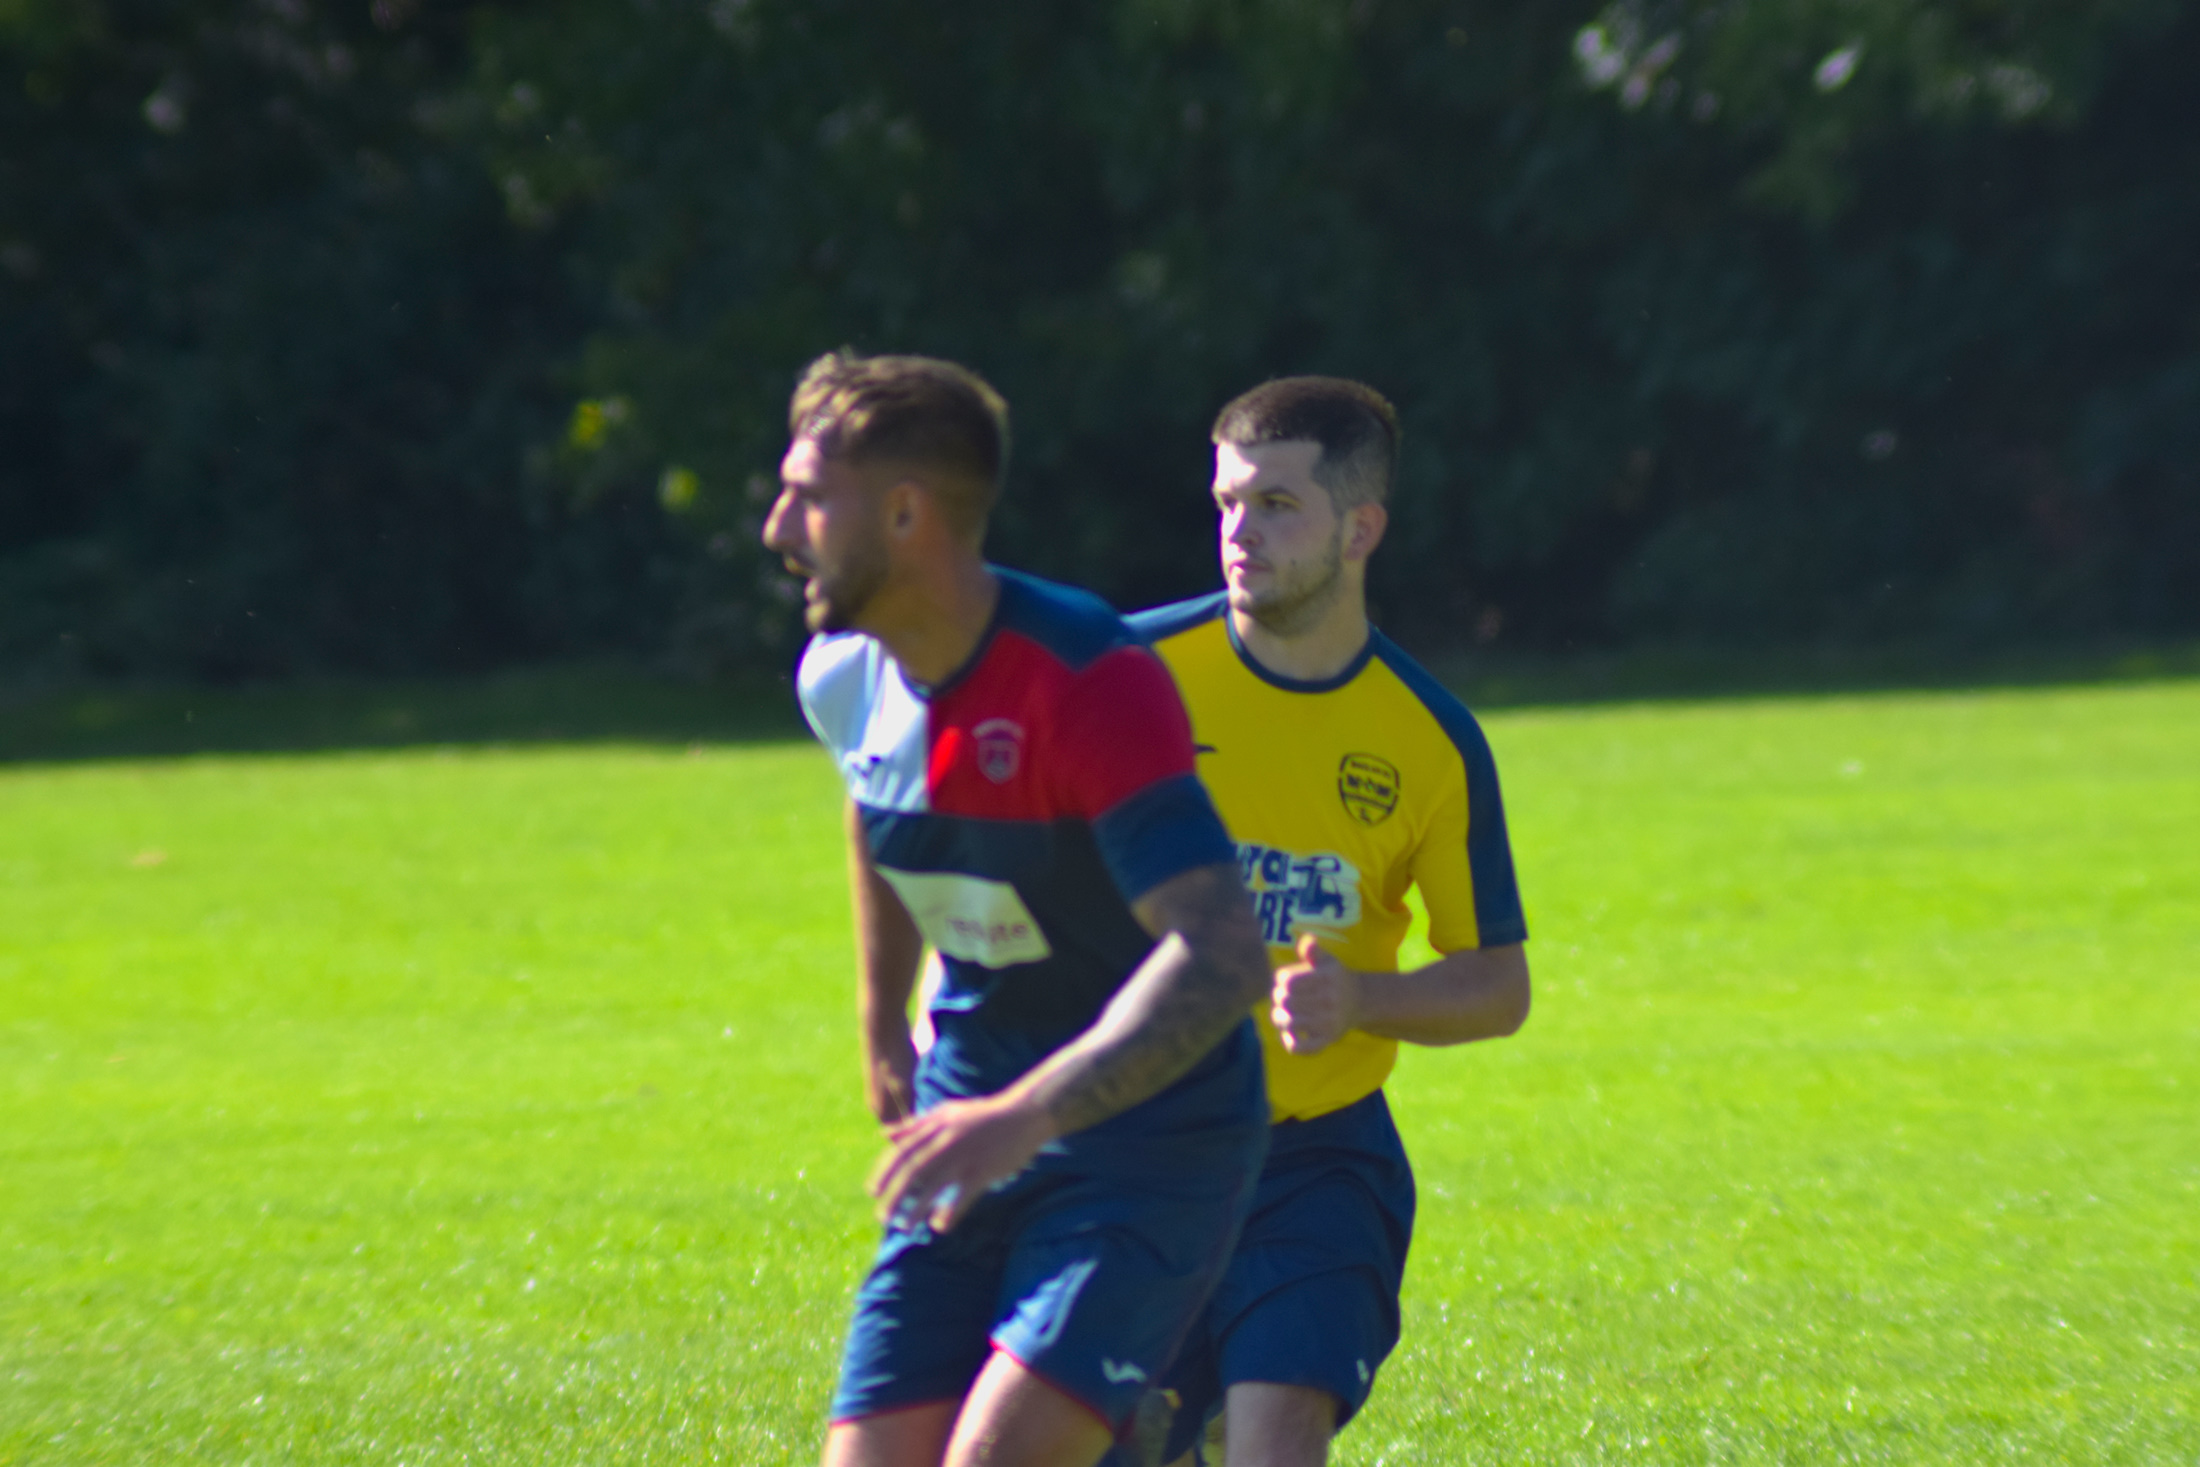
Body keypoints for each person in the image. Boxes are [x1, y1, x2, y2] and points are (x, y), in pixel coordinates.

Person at [761, 350, 1277, 1467]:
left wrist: (1026, 1118)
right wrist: (878, 1018)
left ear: (905, 513)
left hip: (1152, 1141)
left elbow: (1225, 954)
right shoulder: (844, 670)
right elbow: (876, 804)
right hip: (968, 1114)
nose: (776, 527)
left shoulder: (1086, 678)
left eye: (808, 496)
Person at [1112, 377, 1532, 1467]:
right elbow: (985, 854)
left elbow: (1496, 982)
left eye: (1276, 506)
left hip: (1316, 1163)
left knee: (1279, 1425)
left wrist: (1361, 1000)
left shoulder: (1428, 739)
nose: (1238, 535)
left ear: (1361, 528)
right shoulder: (1121, 678)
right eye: (1226, 505)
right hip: (1127, 1149)